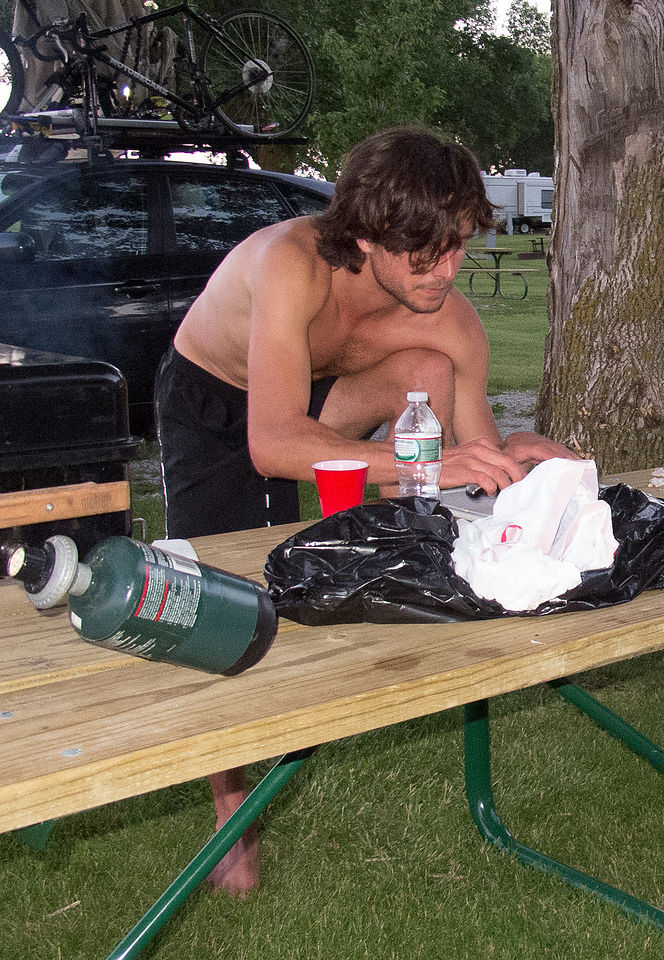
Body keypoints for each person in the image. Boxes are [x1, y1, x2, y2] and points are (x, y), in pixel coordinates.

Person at [155, 126, 575, 894]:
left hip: (317, 396)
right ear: (365, 232)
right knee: (219, 593)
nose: (446, 271)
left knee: (425, 369)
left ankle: (377, 544)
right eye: (424, 252)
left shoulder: (450, 319)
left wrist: (525, 462)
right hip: (217, 401)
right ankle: (229, 800)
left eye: (457, 247)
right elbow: (273, 443)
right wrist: (429, 460)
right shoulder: (290, 264)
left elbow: (476, 453)